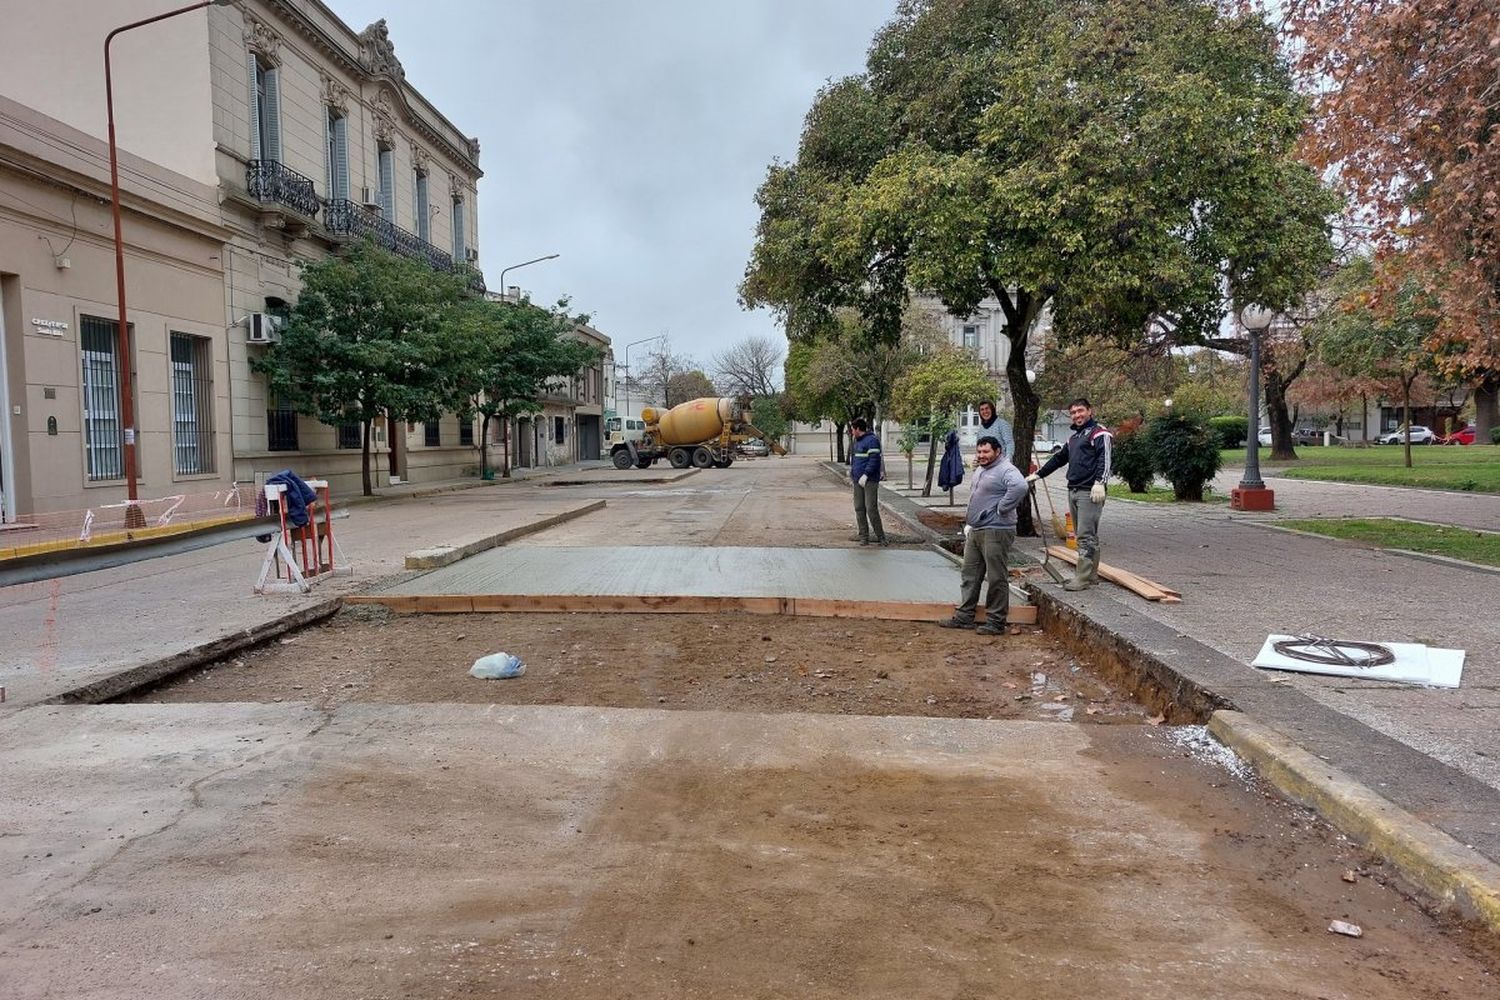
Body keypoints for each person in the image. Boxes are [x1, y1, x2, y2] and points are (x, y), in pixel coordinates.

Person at [939, 435, 1028, 635]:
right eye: (979, 452)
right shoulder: (982, 468)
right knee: (970, 573)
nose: (982, 455)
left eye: (986, 451)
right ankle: (965, 617)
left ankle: (996, 621)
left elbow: (1020, 486)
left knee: (996, 576)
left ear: (997, 451)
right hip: (977, 529)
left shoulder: (1006, 469)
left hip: (996, 529)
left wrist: (1002, 508)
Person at [1027, 397, 1112, 591]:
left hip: (1090, 491)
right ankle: (1090, 576)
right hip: (1073, 488)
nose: (1077, 415)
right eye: (1073, 413)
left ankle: (1082, 578)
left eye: (1080, 411)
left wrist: (1100, 482)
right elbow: (1059, 459)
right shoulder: (1074, 438)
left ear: (1090, 411)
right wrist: (1038, 474)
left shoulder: (1100, 433)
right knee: (1087, 534)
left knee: (1085, 535)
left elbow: (1105, 460)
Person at [848, 417, 887, 546]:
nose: (851, 432)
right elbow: (856, 459)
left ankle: (881, 537)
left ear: (858, 429)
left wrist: (866, 475)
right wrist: (852, 471)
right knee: (859, 508)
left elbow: (874, 460)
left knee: (871, 509)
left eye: (853, 429)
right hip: (857, 480)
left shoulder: (872, 441)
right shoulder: (857, 441)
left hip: (869, 480)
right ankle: (864, 536)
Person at [974, 400, 1015, 467]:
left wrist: (1008, 460)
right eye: (982, 409)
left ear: (992, 410)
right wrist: (977, 459)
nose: (985, 412)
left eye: (987, 408)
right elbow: (978, 447)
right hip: (986, 467)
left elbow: (1009, 443)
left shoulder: (1003, 424)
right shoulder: (980, 429)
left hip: (1001, 466)